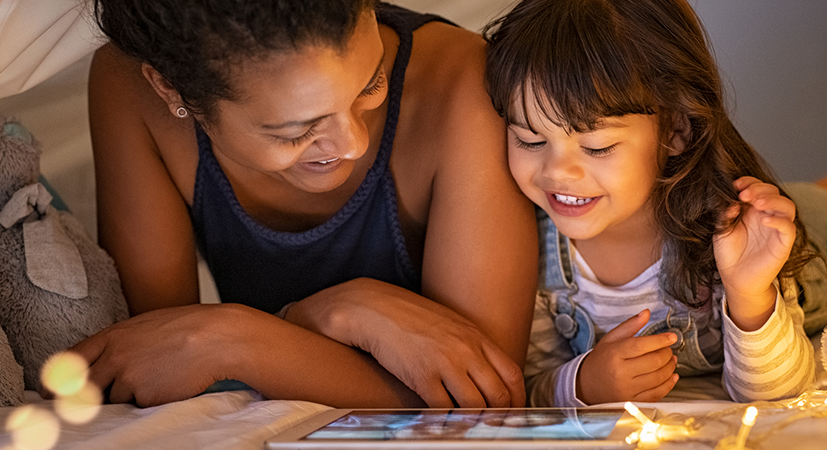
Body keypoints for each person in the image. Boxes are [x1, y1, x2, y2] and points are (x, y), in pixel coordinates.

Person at [481, 0, 827, 407]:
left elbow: (777, 389)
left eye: (596, 148)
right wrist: (582, 384)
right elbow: (531, 379)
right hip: (759, 206)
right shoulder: (533, 249)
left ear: (676, 129)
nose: (556, 171)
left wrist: (748, 294)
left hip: (825, 244)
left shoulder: (731, 240)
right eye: (529, 139)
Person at [72, 0, 538, 408]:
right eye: (296, 131)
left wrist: (237, 338)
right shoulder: (127, 85)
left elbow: (484, 394)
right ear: (171, 90)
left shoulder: (462, 83)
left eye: (371, 84)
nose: (351, 143)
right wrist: (329, 314)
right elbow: (155, 356)